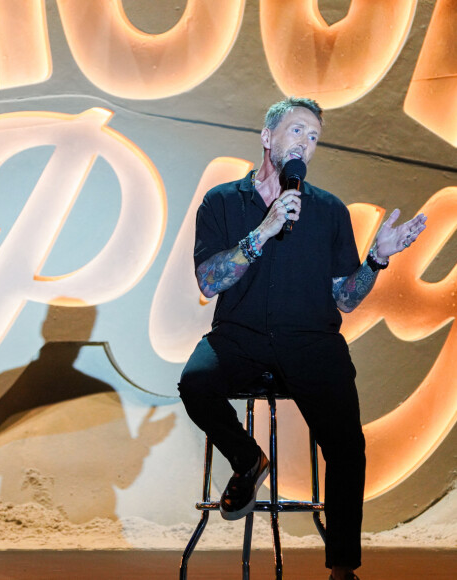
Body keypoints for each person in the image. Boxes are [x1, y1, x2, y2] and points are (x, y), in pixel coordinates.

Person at [178, 96, 427, 580]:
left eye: (314, 137)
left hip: (311, 341)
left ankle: (342, 568)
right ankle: (248, 459)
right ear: (268, 138)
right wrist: (262, 232)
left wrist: (376, 259)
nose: (306, 144)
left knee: (347, 446)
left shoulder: (330, 211)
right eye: (297, 132)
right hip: (241, 336)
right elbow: (209, 282)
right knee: (196, 383)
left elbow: (346, 298)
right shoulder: (223, 202)